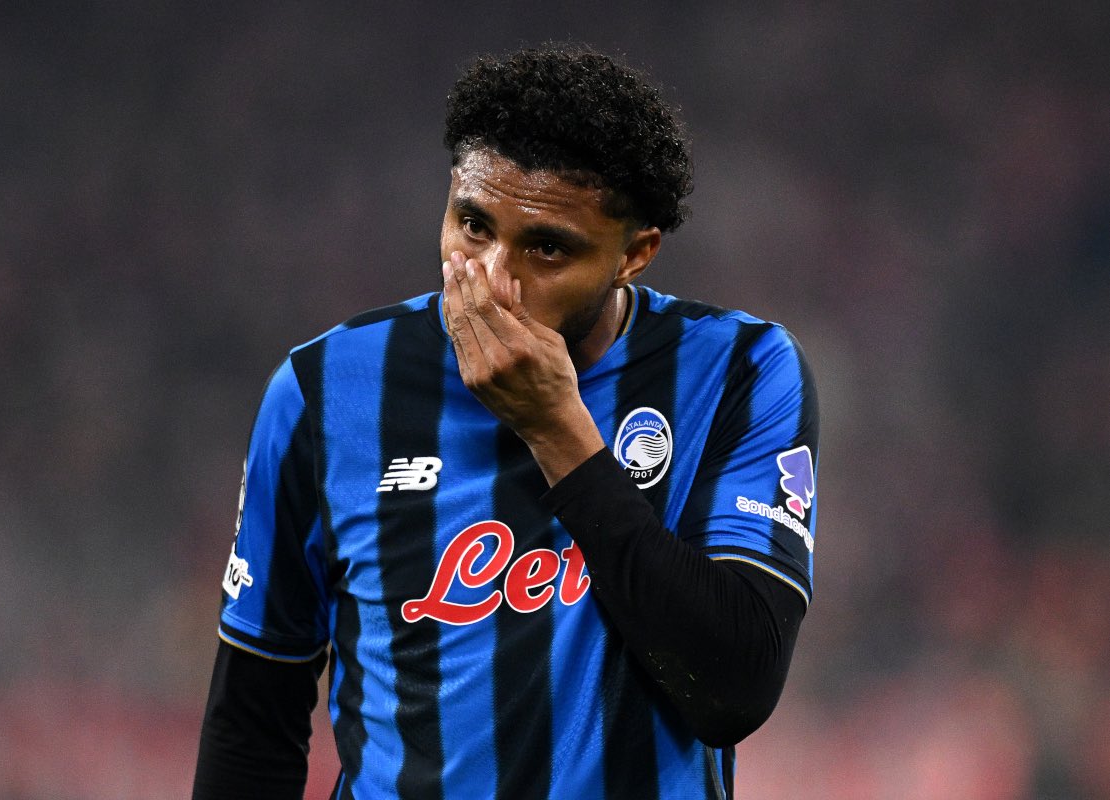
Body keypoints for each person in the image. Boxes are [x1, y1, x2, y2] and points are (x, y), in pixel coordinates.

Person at [193, 43, 819, 800]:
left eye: (547, 248)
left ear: (635, 254)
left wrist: (558, 429)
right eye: (473, 226)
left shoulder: (738, 372)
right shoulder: (324, 390)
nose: (493, 279)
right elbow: (253, 719)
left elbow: (735, 689)